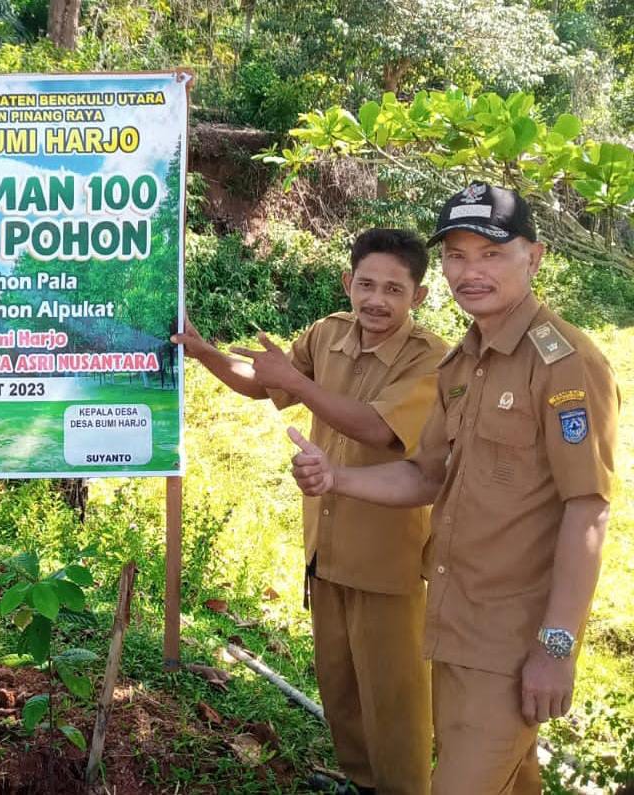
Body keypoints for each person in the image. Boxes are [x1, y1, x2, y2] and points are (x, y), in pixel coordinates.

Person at [289, 184, 619, 794]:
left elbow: (588, 509)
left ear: (535, 257)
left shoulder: (565, 363)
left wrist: (555, 645)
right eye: (457, 256)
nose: (471, 272)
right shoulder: (464, 363)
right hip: (452, 619)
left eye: (491, 254)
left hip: (511, 641)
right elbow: (425, 476)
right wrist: (337, 478)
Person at [174, 228, 447, 794]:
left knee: (395, 703)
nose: (376, 299)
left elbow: (376, 426)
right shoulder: (328, 333)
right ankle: (360, 782)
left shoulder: (432, 360)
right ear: (347, 282)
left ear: (417, 297)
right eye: (366, 284)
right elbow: (263, 383)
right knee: (340, 685)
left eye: (393, 290)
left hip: (387, 564)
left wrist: (293, 379)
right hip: (325, 549)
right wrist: (204, 352)